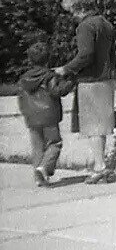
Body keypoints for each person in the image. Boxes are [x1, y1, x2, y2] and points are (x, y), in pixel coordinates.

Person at [54, 0, 116, 184]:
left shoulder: (85, 26)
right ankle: (101, 163)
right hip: (106, 79)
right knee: (102, 125)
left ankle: (100, 167)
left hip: (90, 80)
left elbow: (86, 55)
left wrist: (66, 69)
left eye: (72, 10)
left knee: (92, 126)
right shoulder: (106, 24)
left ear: (79, 7)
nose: (72, 15)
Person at [17, 41, 76, 187]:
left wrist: (25, 112)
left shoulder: (24, 79)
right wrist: (71, 82)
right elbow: (57, 91)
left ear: (30, 60)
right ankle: (44, 168)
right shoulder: (49, 76)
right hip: (49, 116)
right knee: (55, 143)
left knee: (37, 147)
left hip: (31, 117)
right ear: (48, 59)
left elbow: (20, 98)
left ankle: (39, 178)